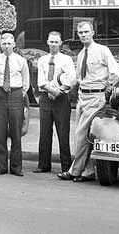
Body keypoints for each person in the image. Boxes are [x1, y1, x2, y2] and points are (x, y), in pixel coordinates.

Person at [61, 20, 119, 181]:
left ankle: (74, 171)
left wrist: (107, 87)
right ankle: (87, 172)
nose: (83, 35)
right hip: (82, 97)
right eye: (80, 33)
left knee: (80, 134)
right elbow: (78, 78)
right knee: (84, 135)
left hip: (96, 97)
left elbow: (116, 73)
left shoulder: (102, 50)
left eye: (86, 32)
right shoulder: (81, 54)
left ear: (93, 33)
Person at [34, 31, 76, 174]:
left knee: (63, 132)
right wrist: (52, 91)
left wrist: (59, 91)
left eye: (56, 42)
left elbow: (71, 79)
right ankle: (43, 165)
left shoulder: (67, 60)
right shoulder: (42, 60)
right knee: (44, 132)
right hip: (46, 98)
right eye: (51, 42)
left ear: (60, 43)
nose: (53, 44)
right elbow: (41, 81)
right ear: (47, 42)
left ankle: (66, 166)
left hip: (62, 99)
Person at [0, 31, 30, 176]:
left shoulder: (21, 61)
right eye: (4, 43)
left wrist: (18, 94)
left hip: (16, 95)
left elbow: (26, 82)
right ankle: (0, 166)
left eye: (9, 43)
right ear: (0, 45)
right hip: (0, 95)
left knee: (16, 132)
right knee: (0, 132)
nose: (6, 46)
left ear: (14, 44)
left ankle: (16, 167)